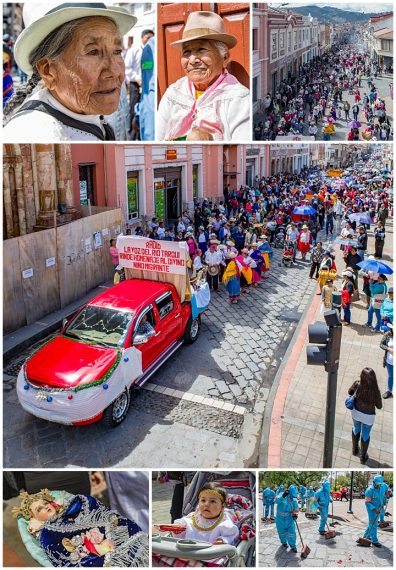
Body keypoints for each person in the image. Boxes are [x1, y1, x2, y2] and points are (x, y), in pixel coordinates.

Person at [3, 2, 137, 141]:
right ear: (48, 71)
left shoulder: (85, 113)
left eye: (117, 51)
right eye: (93, 52)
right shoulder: (36, 135)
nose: (115, 71)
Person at [157, 11, 250, 141]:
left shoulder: (238, 98)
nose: (192, 60)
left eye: (201, 50)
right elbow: (158, 139)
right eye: (186, 52)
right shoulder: (174, 93)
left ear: (225, 57)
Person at [12, 488, 149, 566]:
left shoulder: (74, 508)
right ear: (35, 520)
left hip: (114, 538)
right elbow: (63, 559)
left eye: (45, 503)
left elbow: (93, 507)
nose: (45, 506)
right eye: (39, 509)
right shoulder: (47, 534)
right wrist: (43, 527)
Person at [170, 483, 239, 544]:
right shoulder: (193, 517)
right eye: (203, 500)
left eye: (212, 501)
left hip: (211, 554)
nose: (206, 504)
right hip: (188, 551)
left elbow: (231, 535)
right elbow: (183, 526)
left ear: (222, 506)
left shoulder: (224, 521)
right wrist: (178, 531)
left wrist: (223, 540)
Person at [348, 367, 382, 464]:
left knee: (356, 428)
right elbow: (379, 406)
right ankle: (363, 457)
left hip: (356, 413)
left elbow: (349, 392)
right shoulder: (375, 391)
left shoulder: (357, 384)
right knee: (366, 433)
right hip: (368, 417)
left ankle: (354, 450)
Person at [124, 29, 154, 136]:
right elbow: (127, 68)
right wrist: (137, 79)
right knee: (134, 108)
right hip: (135, 84)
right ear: (142, 38)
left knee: (145, 108)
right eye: (147, 38)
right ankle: (132, 133)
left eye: (151, 38)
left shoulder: (152, 50)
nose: (149, 40)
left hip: (146, 84)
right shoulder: (134, 50)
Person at [360, 475, 387, 548]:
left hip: (379, 508)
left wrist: (387, 496)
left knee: (372, 523)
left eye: (380, 484)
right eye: (377, 484)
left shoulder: (382, 486)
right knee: (374, 524)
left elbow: (386, 493)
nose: (378, 486)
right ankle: (374, 541)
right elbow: (367, 502)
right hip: (372, 509)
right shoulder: (369, 490)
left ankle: (366, 536)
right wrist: (375, 509)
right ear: (374, 482)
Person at [275, 485, 299, 553]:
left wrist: (295, 514)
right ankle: (284, 542)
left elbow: (296, 508)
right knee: (281, 532)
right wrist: (283, 496)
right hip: (280, 519)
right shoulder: (282, 495)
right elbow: (276, 501)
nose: (293, 497)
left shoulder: (294, 499)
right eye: (292, 495)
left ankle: (293, 546)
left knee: (292, 532)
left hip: (289, 518)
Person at [380, 324, 393, 399]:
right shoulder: (387, 334)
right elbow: (381, 344)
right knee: (391, 376)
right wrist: (388, 349)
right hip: (389, 362)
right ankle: (389, 391)